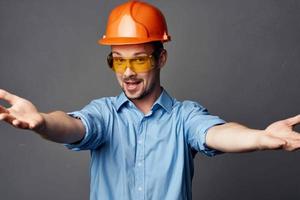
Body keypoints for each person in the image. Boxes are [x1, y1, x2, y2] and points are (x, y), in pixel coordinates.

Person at [0, 1, 299, 200]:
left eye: (139, 60)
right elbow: (72, 126)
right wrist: (42, 123)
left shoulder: (184, 117)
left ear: (161, 58)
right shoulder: (104, 113)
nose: (127, 72)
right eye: (118, 61)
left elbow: (216, 133)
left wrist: (261, 137)